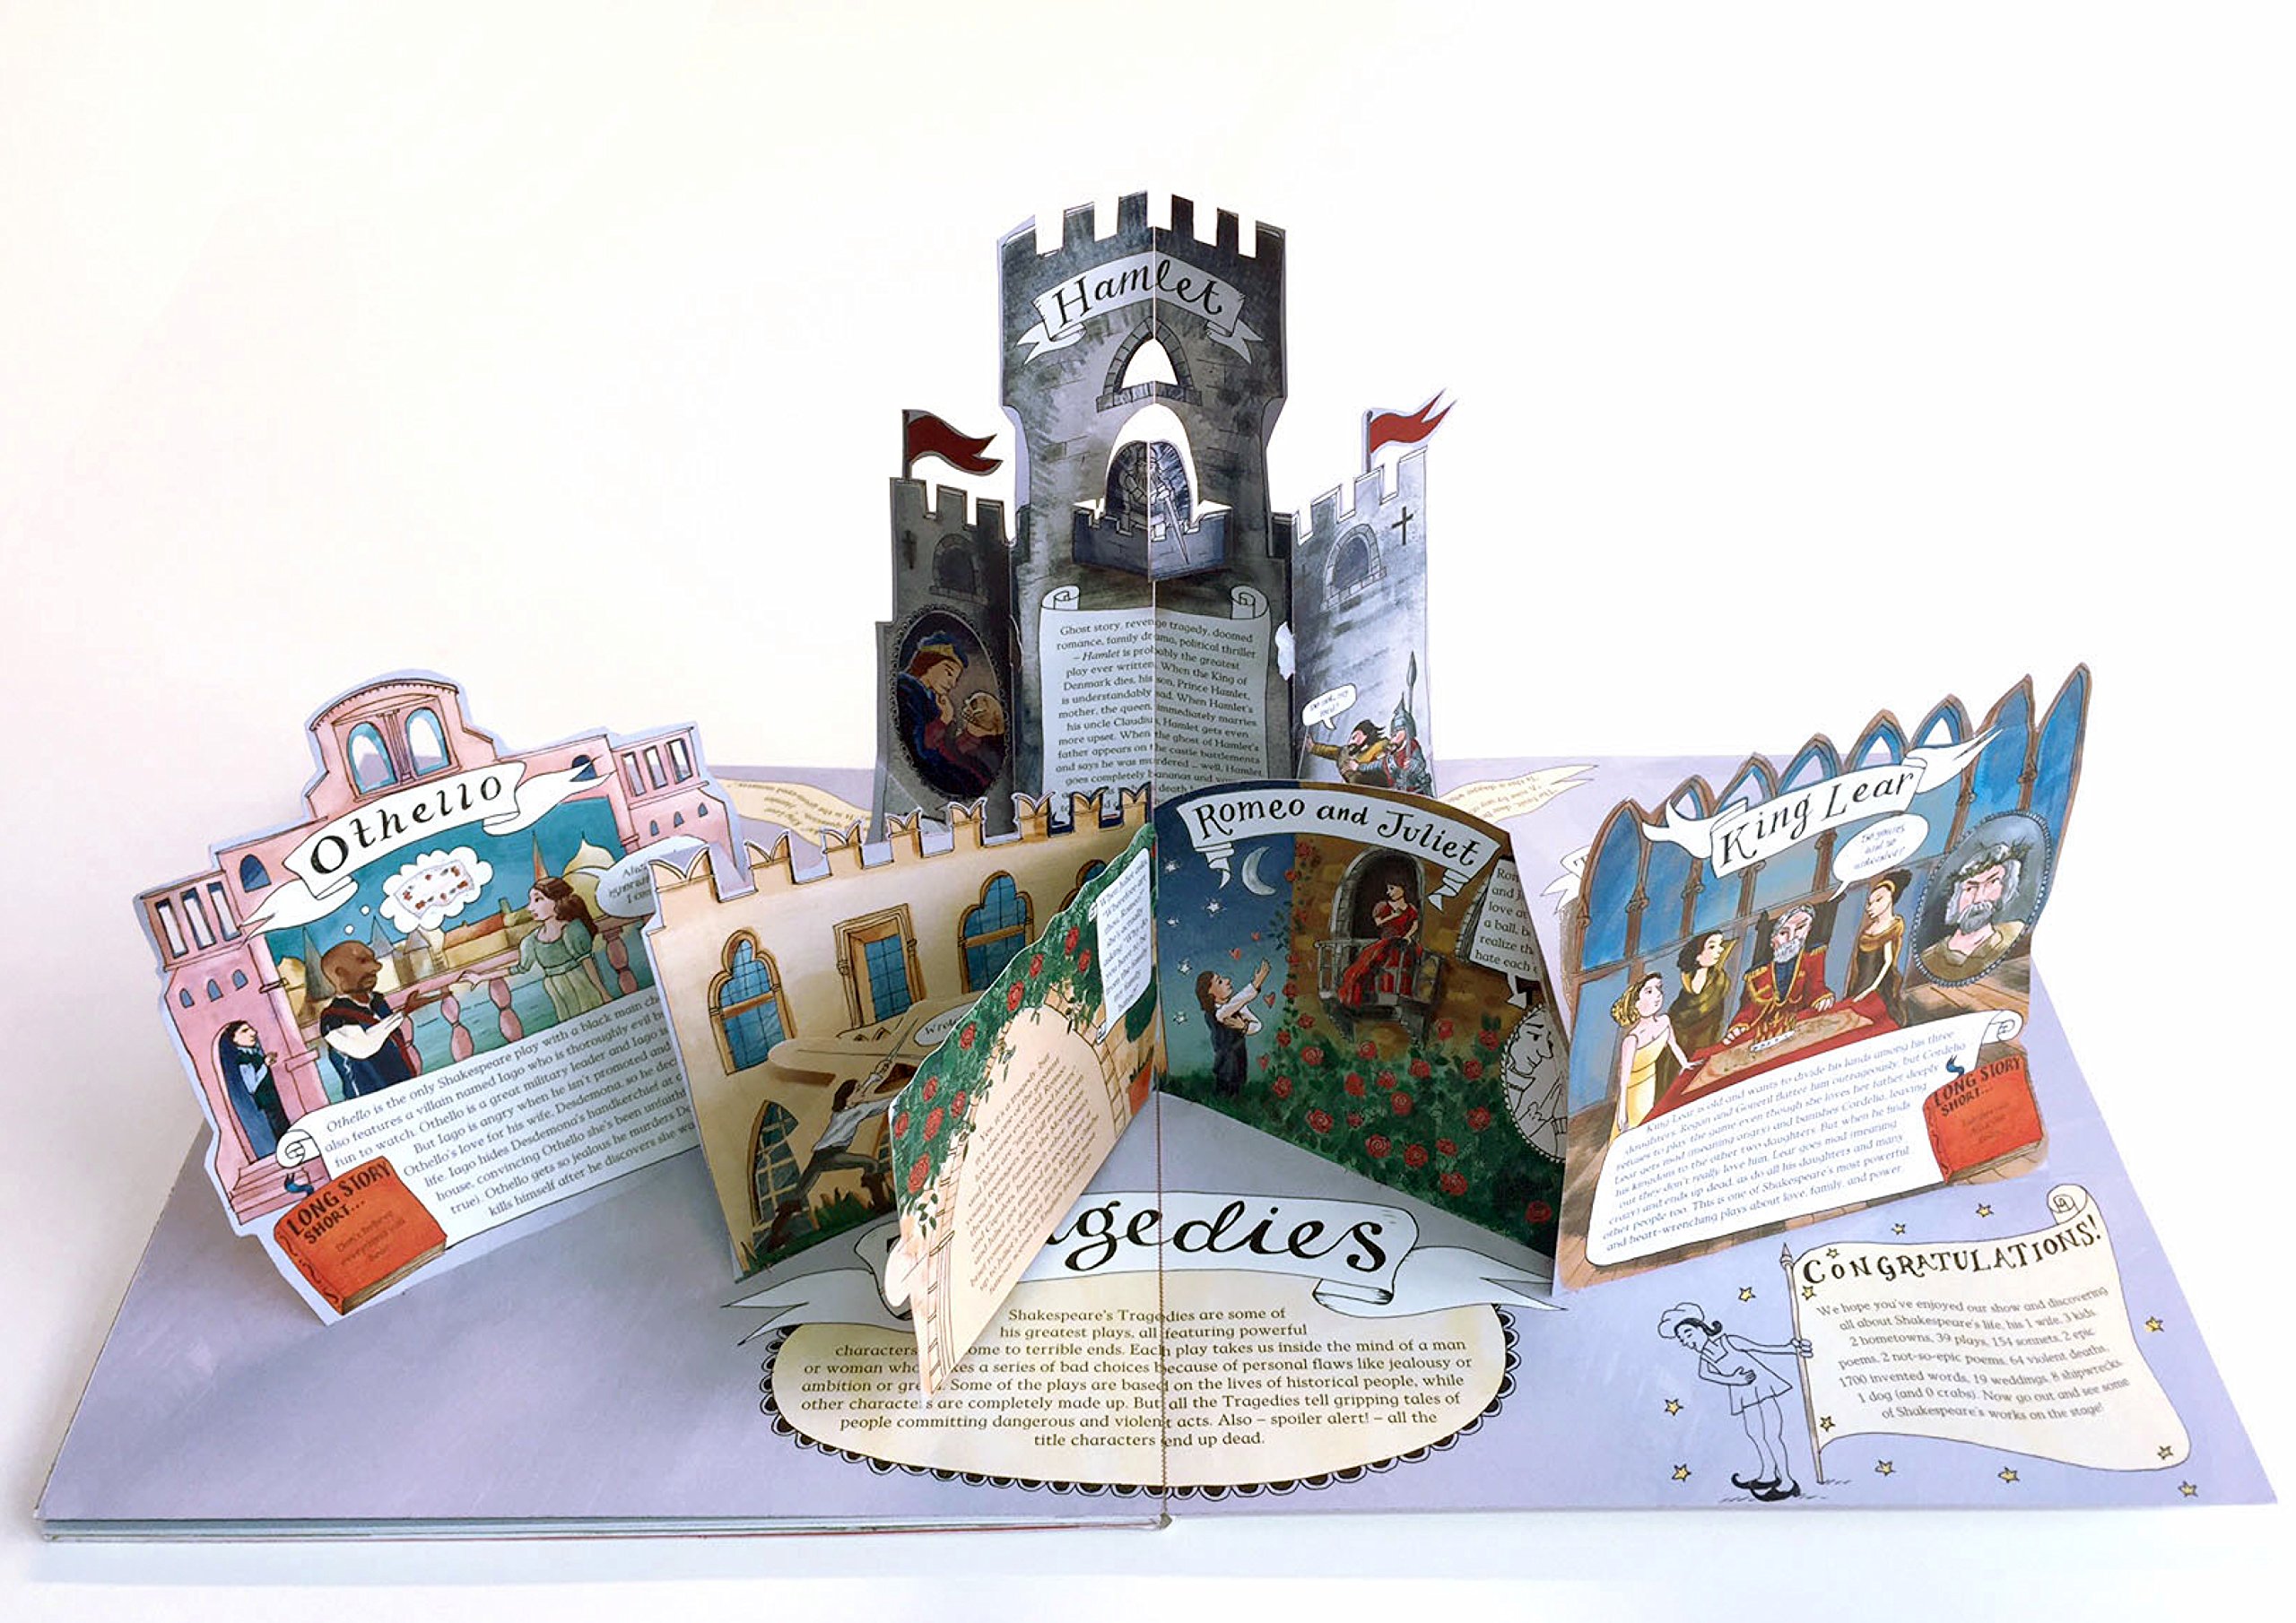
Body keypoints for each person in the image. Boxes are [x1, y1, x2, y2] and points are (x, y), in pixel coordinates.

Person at [1657, 1304, 1813, 1502]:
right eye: (1682, 1339)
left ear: (1701, 1328)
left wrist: (1791, 1350)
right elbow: (1705, 1374)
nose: (1687, 1341)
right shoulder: (1705, 1357)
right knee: (1755, 1433)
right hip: (1744, 1394)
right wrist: (1734, 1380)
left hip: (1761, 1387)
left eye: (1688, 1333)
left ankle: (1788, 1482)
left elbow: (1761, 1348)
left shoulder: (1727, 1341)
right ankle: (1768, 1474)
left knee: (1772, 1435)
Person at [317, 940, 439, 1097]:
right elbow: (363, 1047)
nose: (377, 967)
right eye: (363, 961)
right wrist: (404, 1012)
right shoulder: (333, 1018)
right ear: (341, 973)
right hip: (371, 1100)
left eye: (373, 959)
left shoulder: (377, 1002)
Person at [894, 635, 1005, 799]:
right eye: (948, 673)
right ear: (928, 662)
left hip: (939, 766)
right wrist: (944, 720)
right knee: (970, 783)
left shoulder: (931, 699)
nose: (952, 684)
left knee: (977, 779)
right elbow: (920, 752)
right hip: (925, 772)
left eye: (956, 679)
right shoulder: (906, 691)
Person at [1918, 841, 2029, 983]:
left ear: (2006, 887)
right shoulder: (1928, 959)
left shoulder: (2017, 934)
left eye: (1992, 883)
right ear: (1956, 897)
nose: (1978, 899)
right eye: (1970, 888)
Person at [1724, 906, 1833, 1044]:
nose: (1792, 937)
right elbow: (1747, 1011)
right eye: (1783, 933)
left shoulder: (1812, 957)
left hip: (1800, 1028)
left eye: (1800, 928)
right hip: (1764, 1036)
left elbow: (1816, 988)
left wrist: (1822, 998)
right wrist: (1738, 1027)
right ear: (1772, 940)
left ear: (1809, 928)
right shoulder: (1757, 975)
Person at [517, 875, 609, 1022]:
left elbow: (587, 963)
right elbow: (521, 968)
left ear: (557, 900)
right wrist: (481, 976)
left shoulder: (572, 930)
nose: (530, 908)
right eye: (531, 901)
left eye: (538, 900)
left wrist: (604, 993)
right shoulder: (531, 940)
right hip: (557, 991)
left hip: (580, 983)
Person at [1658, 931, 1736, 1092]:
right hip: (1679, 1042)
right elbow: (1677, 1016)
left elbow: (1716, 1019)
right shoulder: (1686, 990)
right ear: (1698, 956)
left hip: (1706, 1040)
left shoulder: (1719, 982)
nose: (1720, 950)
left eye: (1720, 945)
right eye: (1712, 947)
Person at [1613, 971, 1689, 1135]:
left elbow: (1673, 1045)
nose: (1658, 995)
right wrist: (1622, 1110)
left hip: (1650, 1081)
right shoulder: (1632, 1039)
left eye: (1659, 988)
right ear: (1636, 1003)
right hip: (1633, 1090)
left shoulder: (1665, 1021)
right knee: (1634, 1128)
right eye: (1649, 991)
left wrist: (1686, 1064)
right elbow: (1624, 1079)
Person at [1336, 879, 1421, 1009]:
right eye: (1388, 889)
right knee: (1370, 963)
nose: (1389, 892)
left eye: (1392, 888)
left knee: (1402, 969)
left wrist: (1407, 936)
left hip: (1402, 944)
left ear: (1402, 889)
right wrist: (1393, 916)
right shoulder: (1383, 906)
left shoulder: (1411, 909)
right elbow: (1379, 923)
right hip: (1386, 943)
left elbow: (1415, 925)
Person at [215, 1021, 292, 1159]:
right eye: (245, 1031)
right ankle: (287, 1152)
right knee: (278, 1126)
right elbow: (252, 1086)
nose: (253, 1033)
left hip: (273, 1097)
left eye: (250, 1029)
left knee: (283, 1123)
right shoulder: (244, 1060)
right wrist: (265, 1065)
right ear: (235, 1039)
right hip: (266, 1101)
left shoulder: (254, 1053)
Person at [1197, 960, 1271, 1096]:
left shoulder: (1237, 1007)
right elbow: (1235, 1003)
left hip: (1240, 1055)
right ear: (1211, 995)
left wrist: (1244, 1027)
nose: (1228, 980)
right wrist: (1255, 984)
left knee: (1239, 1086)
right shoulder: (1218, 1013)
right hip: (1226, 1061)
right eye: (1220, 982)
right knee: (1226, 1088)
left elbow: (1257, 1024)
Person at [1848, 868, 1912, 1021]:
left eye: (1878, 900)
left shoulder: (1892, 928)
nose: (1870, 907)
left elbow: (1887, 963)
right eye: (1870, 903)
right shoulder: (1867, 930)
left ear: (1891, 899)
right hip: (1861, 983)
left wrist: (1870, 989)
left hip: (1879, 987)